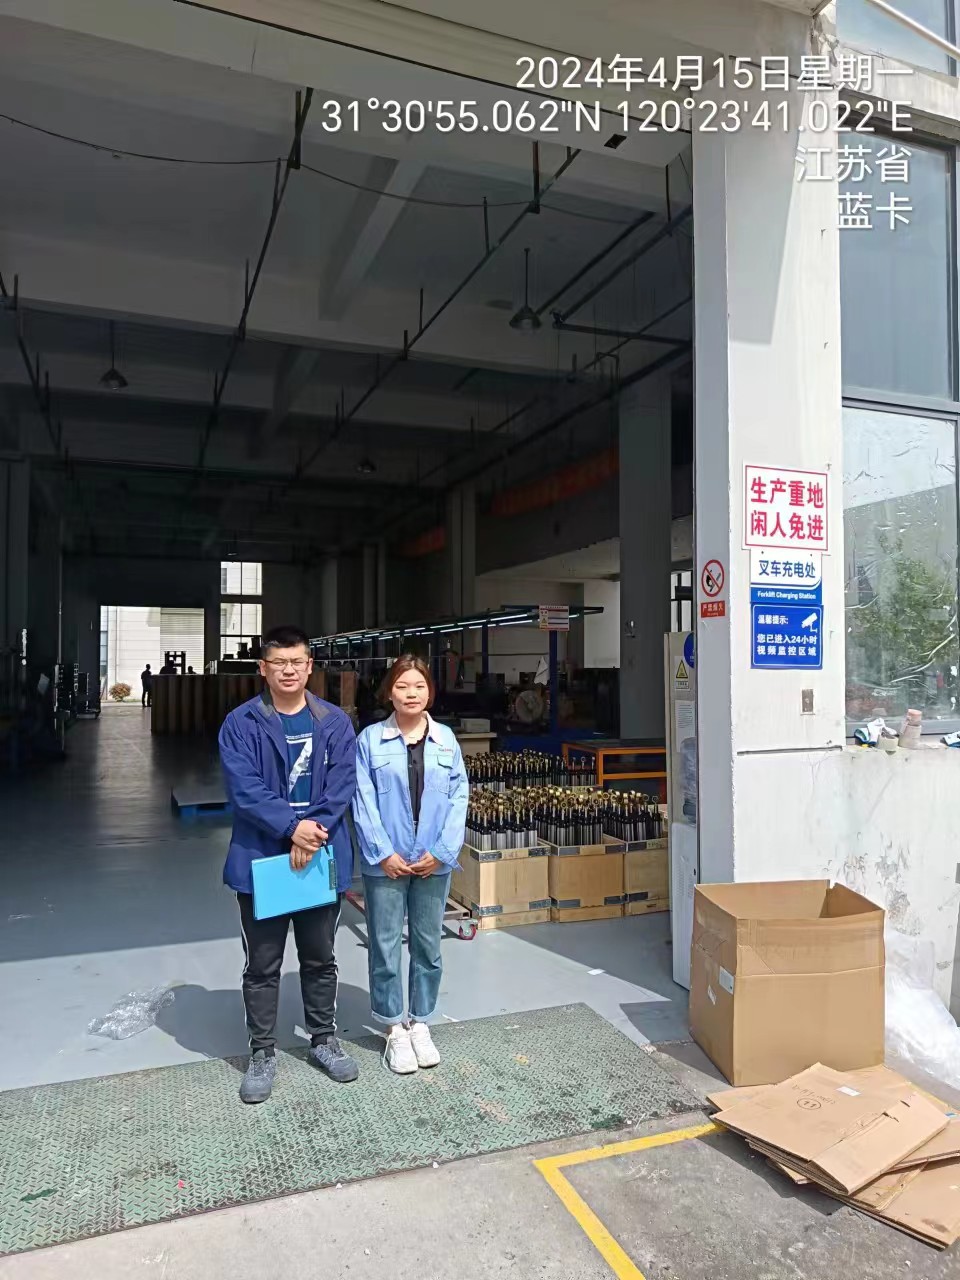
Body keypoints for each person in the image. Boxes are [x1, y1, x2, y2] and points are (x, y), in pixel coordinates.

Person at [219, 624, 359, 1104]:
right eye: (279, 662)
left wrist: (310, 831)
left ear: (310, 666)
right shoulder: (241, 724)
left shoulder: (334, 722)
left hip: (319, 856)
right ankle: (262, 1052)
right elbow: (244, 788)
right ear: (263, 668)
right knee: (262, 963)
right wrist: (291, 828)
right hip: (264, 861)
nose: (289, 670)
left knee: (320, 956)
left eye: (297, 661)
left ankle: (323, 1039)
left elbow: (342, 784)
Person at [352, 654, 469, 1074]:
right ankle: (392, 1027)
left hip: (432, 861)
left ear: (430, 692)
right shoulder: (370, 741)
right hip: (386, 861)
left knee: (428, 945)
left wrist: (442, 852)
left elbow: (459, 798)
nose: (411, 694)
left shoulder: (446, 740)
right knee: (385, 946)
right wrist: (383, 853)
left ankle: (420, 1022)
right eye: (402, 686)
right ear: (390, 692)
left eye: (419, 686)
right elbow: (361, 799)